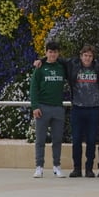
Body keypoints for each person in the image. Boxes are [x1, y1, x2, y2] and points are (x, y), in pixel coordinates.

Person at [30, 39, 68, 179]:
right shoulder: (40, 68)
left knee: (57, 140)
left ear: (58, 53)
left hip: (58, 108)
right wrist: (35, 106)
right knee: (40, 140)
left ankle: (56, 166)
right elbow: (33, 88)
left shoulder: (61, 67)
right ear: (46, 53)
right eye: (50, 52)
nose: (52, 55)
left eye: (55, 52)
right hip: (42, 107)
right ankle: (39, 167)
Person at [66, 45, 99, 178]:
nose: (87, 58)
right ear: (81, 56)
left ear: (93, 58)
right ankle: (76, 168)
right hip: (77, 108)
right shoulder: (73, 66)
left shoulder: (98, 68)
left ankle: (89, 168)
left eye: (90, 56)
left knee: (91, 140)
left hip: (93, 109)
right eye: (85, 55)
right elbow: (56, 59)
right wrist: (40, 59)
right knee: (76, 141)